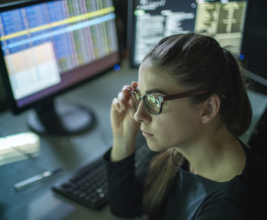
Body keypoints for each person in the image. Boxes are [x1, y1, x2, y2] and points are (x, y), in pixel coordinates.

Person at [103, 33, 267, 219]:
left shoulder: (229, 210)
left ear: (208, 109)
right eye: (139, 96)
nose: (139, 115)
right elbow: (126, 207)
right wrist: (123, 139)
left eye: (154, 100)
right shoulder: (179, 150)